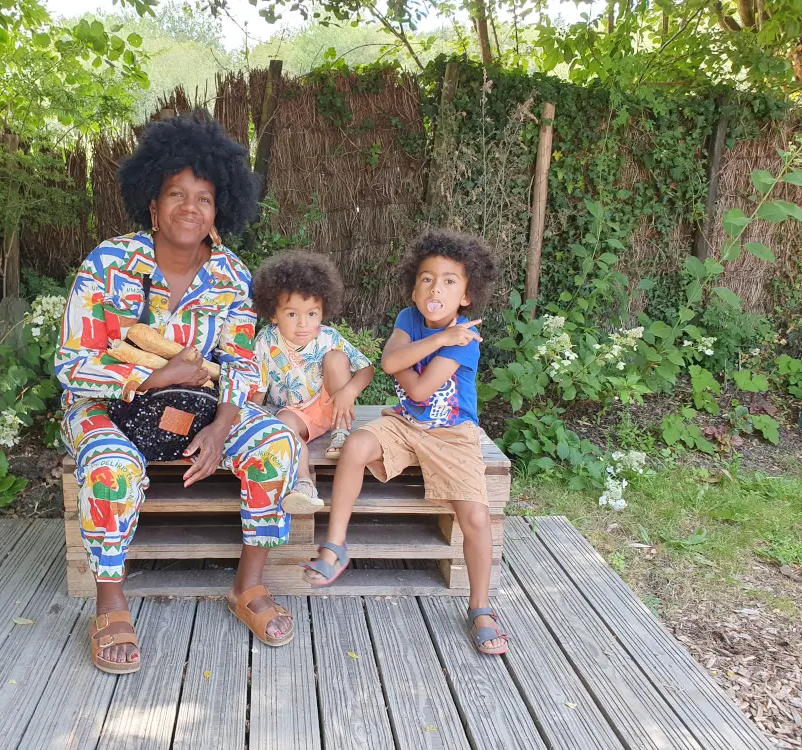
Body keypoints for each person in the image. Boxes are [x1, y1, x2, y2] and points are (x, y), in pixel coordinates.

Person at [56, 112, 308, 674]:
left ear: (220, 212)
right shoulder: (107, 264)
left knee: (274, 442)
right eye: (176, 193)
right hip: (105, 406)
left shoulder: (231, 278)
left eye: (204, 197)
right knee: (110, 466)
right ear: (152, 203)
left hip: (199, 412)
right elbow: (72, 365)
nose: (189, 206)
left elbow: (242, 364)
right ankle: (110, 603)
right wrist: (151, 378)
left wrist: (222, 428)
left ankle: (249, 586)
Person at [300, 231, 508, 655]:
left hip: (452, 434)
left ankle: (481, 608)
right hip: (405, 424)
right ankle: (336, 545)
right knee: (356, 445)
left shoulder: (465, 339)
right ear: (414, 287)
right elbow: (389, 362)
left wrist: (423, 356)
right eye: (427, 279)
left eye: (450, 281)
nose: (436, 289)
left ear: (467, 296)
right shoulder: (408, 319)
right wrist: (433, 342)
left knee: (477, 517)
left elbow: (415, 385)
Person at [250, 251, 375, 505]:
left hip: (331, 406)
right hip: (294, 415)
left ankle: (342, 432)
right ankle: (304, 485)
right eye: (292, 314)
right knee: (283, 425)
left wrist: (348, 392)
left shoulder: (327, 337)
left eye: (312, 314)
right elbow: (259, 388)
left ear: (323, 312)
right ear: (273, 314)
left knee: (336, 358)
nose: (303, 324)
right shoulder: (265, 340)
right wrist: (248, 416)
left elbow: (366, 368)